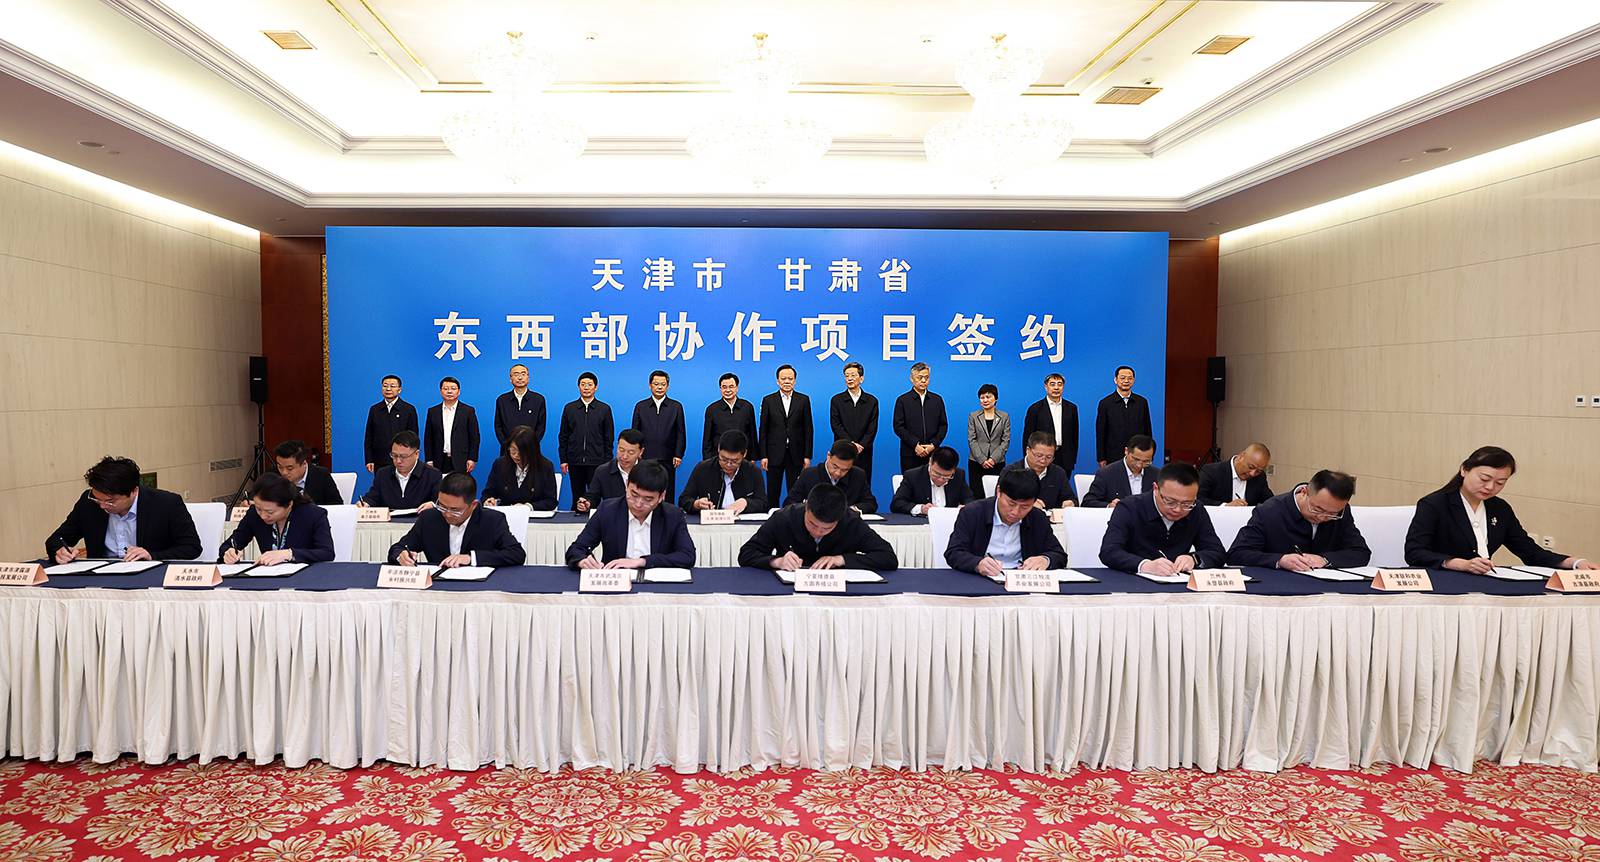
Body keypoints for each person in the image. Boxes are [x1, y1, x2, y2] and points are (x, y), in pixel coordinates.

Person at [1404, 446, 1595, 572]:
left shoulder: (1500, 508)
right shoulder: (1434, 504)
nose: (1490, 487)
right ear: (1464, 470)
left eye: (1500, 483)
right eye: (1484, 479)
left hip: (1484, 581)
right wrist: (1460, 564)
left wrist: (1575, 563)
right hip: (1444, 579)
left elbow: (1530, 552)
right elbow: (1414, 552)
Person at [46, 456, 202, 563]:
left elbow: (191, 547)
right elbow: (56, 539)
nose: (102, 506)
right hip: (101, 579)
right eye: (98, 499)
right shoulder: (89, 503)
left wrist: (151, 555)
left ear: (134, 491)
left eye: (110, 501)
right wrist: (60, 551)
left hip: (148, 577)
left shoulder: (166, 504)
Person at [1228, 470, 1371, 571]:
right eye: (1317, 509)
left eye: (1332, 514)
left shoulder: (1341, 512)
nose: (1322, 517)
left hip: (1329, 588)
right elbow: (1237, 554)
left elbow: (1361, 552)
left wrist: (1324, 559)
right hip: (1281, 588)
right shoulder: (1270, 511)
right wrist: (1280, 560)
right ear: (1304, 492)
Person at [1099, 462, 1226, 575]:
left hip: (1179, 582)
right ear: (1155, 489)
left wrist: (1194, 559)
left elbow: (1217, 552)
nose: (1178, 509)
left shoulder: (1196, 510)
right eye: (1170, 502)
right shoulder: (1129, 508)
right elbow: (1109, 551)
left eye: (1187, 504)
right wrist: (1144, 565)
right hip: (1134, 582)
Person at [564, 461, 696, 570]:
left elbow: (687, 556)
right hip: (616, 583)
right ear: (627, 485)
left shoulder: (673, 516)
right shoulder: (608, 510)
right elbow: (576, 549)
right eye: (634, 495)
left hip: (656, 585)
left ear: (662, 496)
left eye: (648, 499)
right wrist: (582, 561)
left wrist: (643, 561)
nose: (638, 504)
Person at [738, 484, 898, 572]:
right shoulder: (784, 518)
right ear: (806, 507)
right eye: (812, 524)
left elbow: (888, 557)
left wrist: (841, 559)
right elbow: (746, 553)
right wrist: (777, 561)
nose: (817, 532)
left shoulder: (851, 522)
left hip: (838, 591)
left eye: (827, 528)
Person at [943, 468, 1068, 576]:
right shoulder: (973, 513)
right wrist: (977, 563)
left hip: (1021, 579)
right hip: (982, 578)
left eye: (1025, 507)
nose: (1015, 512)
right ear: (999, 492)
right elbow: (954, 552)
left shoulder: (1037, 518)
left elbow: (1059, 555)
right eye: (1011, 503)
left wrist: (1045, 560)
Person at [387, 472, 526, 568]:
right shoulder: (429, 518)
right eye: (442, 506)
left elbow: (516, 554)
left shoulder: (492, 520)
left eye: (455, 510)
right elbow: (397, 548)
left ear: (473, 505)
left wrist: (470, 558)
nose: (447, 514)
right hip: (438, 587)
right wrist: (401, 556)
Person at [219, 473, 334, 565]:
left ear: (289, 505)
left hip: (305, 577)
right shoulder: (254, 514)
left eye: (270, 512)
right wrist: (228, 552)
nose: (263, 516)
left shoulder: (313, 515)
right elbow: (229, 544)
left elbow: (326, 553)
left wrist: (289, 554)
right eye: (259, 509)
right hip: (268, 577)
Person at [759, 364, 813, 505]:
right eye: (783, 379)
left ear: (795, 381)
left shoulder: (803, 400)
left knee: (795, 492)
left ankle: (794, 516)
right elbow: (763, 429)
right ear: (778, 381)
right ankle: (772, 516)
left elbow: (808, 429)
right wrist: (763, 455)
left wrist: (807, 455)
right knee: (773, 491)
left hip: (796, 453)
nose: (787, 381)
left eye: (790, 378)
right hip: (773, 453)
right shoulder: (768, 400)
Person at [678, 431, 769, 514]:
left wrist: (746, 503)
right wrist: (696, 504)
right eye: (724, 459)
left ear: (744, 454)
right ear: (718, 449)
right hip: (712, 522)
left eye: (734, 461)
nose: (728, 465)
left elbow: (763, 503)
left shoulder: (753, 471)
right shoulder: (703, 468)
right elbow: (684, 500)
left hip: (742, 522)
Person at [557, 371, 613, 505]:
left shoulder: (604, 409)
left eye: (589, 384)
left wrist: (607, 462)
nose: (586, 387)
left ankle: (595, 518)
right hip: (575, 461)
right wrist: (564, 460)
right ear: (578, 387)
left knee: (595, 498)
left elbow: (608, 438)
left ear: (596, 387)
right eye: (583, 384)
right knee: (577, 497)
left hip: (597, 461)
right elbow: (563, 436)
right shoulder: (570, 408)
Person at [631, 370, 686, 495]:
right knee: (645, 489)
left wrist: (678, 454)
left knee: (667, 490)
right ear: (650, 385)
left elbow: (680, 432)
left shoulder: (676, 406)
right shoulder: (641, 406)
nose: (659, 387)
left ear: (668, 386)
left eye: (663, 384)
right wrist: (636, 453)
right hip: (645, 457)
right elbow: (635, 432)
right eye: (656, 384)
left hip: (668, 457)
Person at [786, 440, 877, 513]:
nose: (838, 473)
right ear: (828, 456)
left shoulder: (858, 475)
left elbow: (870, 503)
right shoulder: (809, 474)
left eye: (844, 470)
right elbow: (790, 503)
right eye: (835, 467)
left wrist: (852, 510)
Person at [358, 431, 442, 510]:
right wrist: (365, 503)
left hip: (420, 519)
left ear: (416, 454)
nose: (398, 461)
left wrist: (433, 505)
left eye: (403, 456)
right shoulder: (383, 474)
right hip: (389, 520)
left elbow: (439, 502)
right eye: (394, 455)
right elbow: (373, 497)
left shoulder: (432, 475)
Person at [482, 425, 558, 510]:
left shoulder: (545, 467)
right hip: (505, 515)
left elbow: (551, 501)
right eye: (513, 450)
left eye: (521, 452)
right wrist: (488, 501)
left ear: (531, 451)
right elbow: (487, 493)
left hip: (532, 515)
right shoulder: (500, 464)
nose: (516, 455)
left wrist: (528, 507)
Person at [829, 361, 879, 483]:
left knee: (862, 482)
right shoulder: (837, 400)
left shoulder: (871, 401)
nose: (849, 378)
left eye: (853, 375)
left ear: (861, 378)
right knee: (841, 482)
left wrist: (861, 445)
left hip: (863, 450)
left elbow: (872, 428)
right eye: (846, 376)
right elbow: (836, 425)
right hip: (842, 449)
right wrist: (851, 444)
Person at [892, 362, 948, 471]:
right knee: (910, 480)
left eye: (926, 377)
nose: (923, 380)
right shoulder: (903, 400)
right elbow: (898, 427)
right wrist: (915, 445)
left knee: (933, 480)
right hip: (910, 452)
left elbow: (943, 425)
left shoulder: (937, 400)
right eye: (920, 377)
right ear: (912, 379)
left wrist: (933, 444)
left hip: (932, 452)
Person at [890, 446, 974, 515]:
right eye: (936, 474)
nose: (940, 480)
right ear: (930, 462)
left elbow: (969, 499)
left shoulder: (959, 475)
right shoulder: (913, 476)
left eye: (946, 476)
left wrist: (966, 507)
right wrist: (921, 509)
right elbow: (897, 504)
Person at [1094, 366, 1152, 466]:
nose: (1126, 381)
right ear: (1115, 380)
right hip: (1113, 455)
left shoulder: (1142, 402)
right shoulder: (1105, 403)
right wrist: (1101, 457)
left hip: (1138, 454)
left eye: (1130, 378)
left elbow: (1147, 430)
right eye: (1122, 378)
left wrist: (1148, 453)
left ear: (1133, 380)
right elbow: (1101, 433)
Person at [577, 429, 646, 513]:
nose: (624, 456)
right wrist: (587, 503)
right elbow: (593, 496)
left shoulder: (650, 472)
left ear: (641, 452)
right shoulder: (603, 471)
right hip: (613, 516)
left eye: (631, 452)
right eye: (621, 450)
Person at [1081, 435, 1158, 508]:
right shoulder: (1106, 473)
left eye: (1146, 461)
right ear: (1126, 451)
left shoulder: (1156, 474)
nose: (1139, 465)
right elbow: (1087, 502)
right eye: (1136, 459)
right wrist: (1109, 506)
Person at [1022, 373, 1079, 472]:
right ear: (1046, 386)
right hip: (1041, 457)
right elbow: (1028, 436)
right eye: (1052, 384)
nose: (1056, 388)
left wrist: (1072, 458)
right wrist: (1028, 460)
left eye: (1059, 384)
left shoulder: (1071, 408)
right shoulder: (1035, 409)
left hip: (1065, 457)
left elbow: (1074, 436)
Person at [362, 374, 417, 474]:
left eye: (392, 386)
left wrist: (411, 458)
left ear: (399, 389)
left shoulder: (408, 409)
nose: (388, 389)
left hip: (403, 459)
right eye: (385, 386)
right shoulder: (375, 409)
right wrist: (369, 459)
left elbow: (413, 437)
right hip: (380, 459)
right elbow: (369, 436)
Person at [1006, 431, 1076, 508]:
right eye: (1039, 455)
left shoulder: (1058, 473)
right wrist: (1028, 504)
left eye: (1049, 457)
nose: (1043, 461)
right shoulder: (1011, 471)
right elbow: (1002, 500)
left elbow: (1070, 498)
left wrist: (1070, 502)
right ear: (1027, 450)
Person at [424, 376, 479, 473]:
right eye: (446, 389)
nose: (449, 391)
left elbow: (474, 437)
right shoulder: (433, 411)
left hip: (461, 459)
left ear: (459, 391)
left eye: (453, 388)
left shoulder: (468, 411)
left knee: (460, 483)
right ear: (441, 391)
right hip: (438, 459)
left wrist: (472, 458)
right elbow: (428, 438)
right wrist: (429, 459)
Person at [966, 383, 1010, 499]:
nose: (985, 400)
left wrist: (993, 459)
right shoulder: (973, 416)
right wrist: (982, 459)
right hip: (976, 462)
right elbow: (972, 439)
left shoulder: (1004, 416)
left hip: (997, 462)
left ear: (996, 398)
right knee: (977, 495)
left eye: (988, 397)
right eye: (982, 397)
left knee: (996, 495)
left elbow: (1005, 440)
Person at [702, 372, 759, 461]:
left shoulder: (747, 407)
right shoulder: (712, 409)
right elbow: (707, 440)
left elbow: (752, 435)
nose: (728, 390)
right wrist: (708, 461)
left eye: (731, 386)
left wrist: (753, 458)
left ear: (737, 388)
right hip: (720, 459)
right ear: (720, 389)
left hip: (743, 458)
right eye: (724, 387)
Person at [493, 364, 546, 456]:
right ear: (510, 379)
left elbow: (541, 427)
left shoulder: (538, 399)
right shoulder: (502, 400)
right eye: (516, 374)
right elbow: (498, 426)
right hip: (507, 450)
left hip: (531, 450)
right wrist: (508, 446)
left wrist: (531, 444)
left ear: (528, 378)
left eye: (523, 374)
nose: (520, 377)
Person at [1198, 443, 1273, 507]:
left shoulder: (1260, 477)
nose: (1252, 474)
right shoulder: (1212, 471)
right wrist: (1225, 506)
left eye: (1258, 471)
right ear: (1241, 456)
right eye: (1250, 467)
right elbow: (1199, 499)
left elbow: (1270, 501)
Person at [273, 439, 343, 505]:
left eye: (289, 468)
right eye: (280, 467)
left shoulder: (321, 475)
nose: (284, 472)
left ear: (304, 463)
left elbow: (336, 505)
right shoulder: (273, 475)